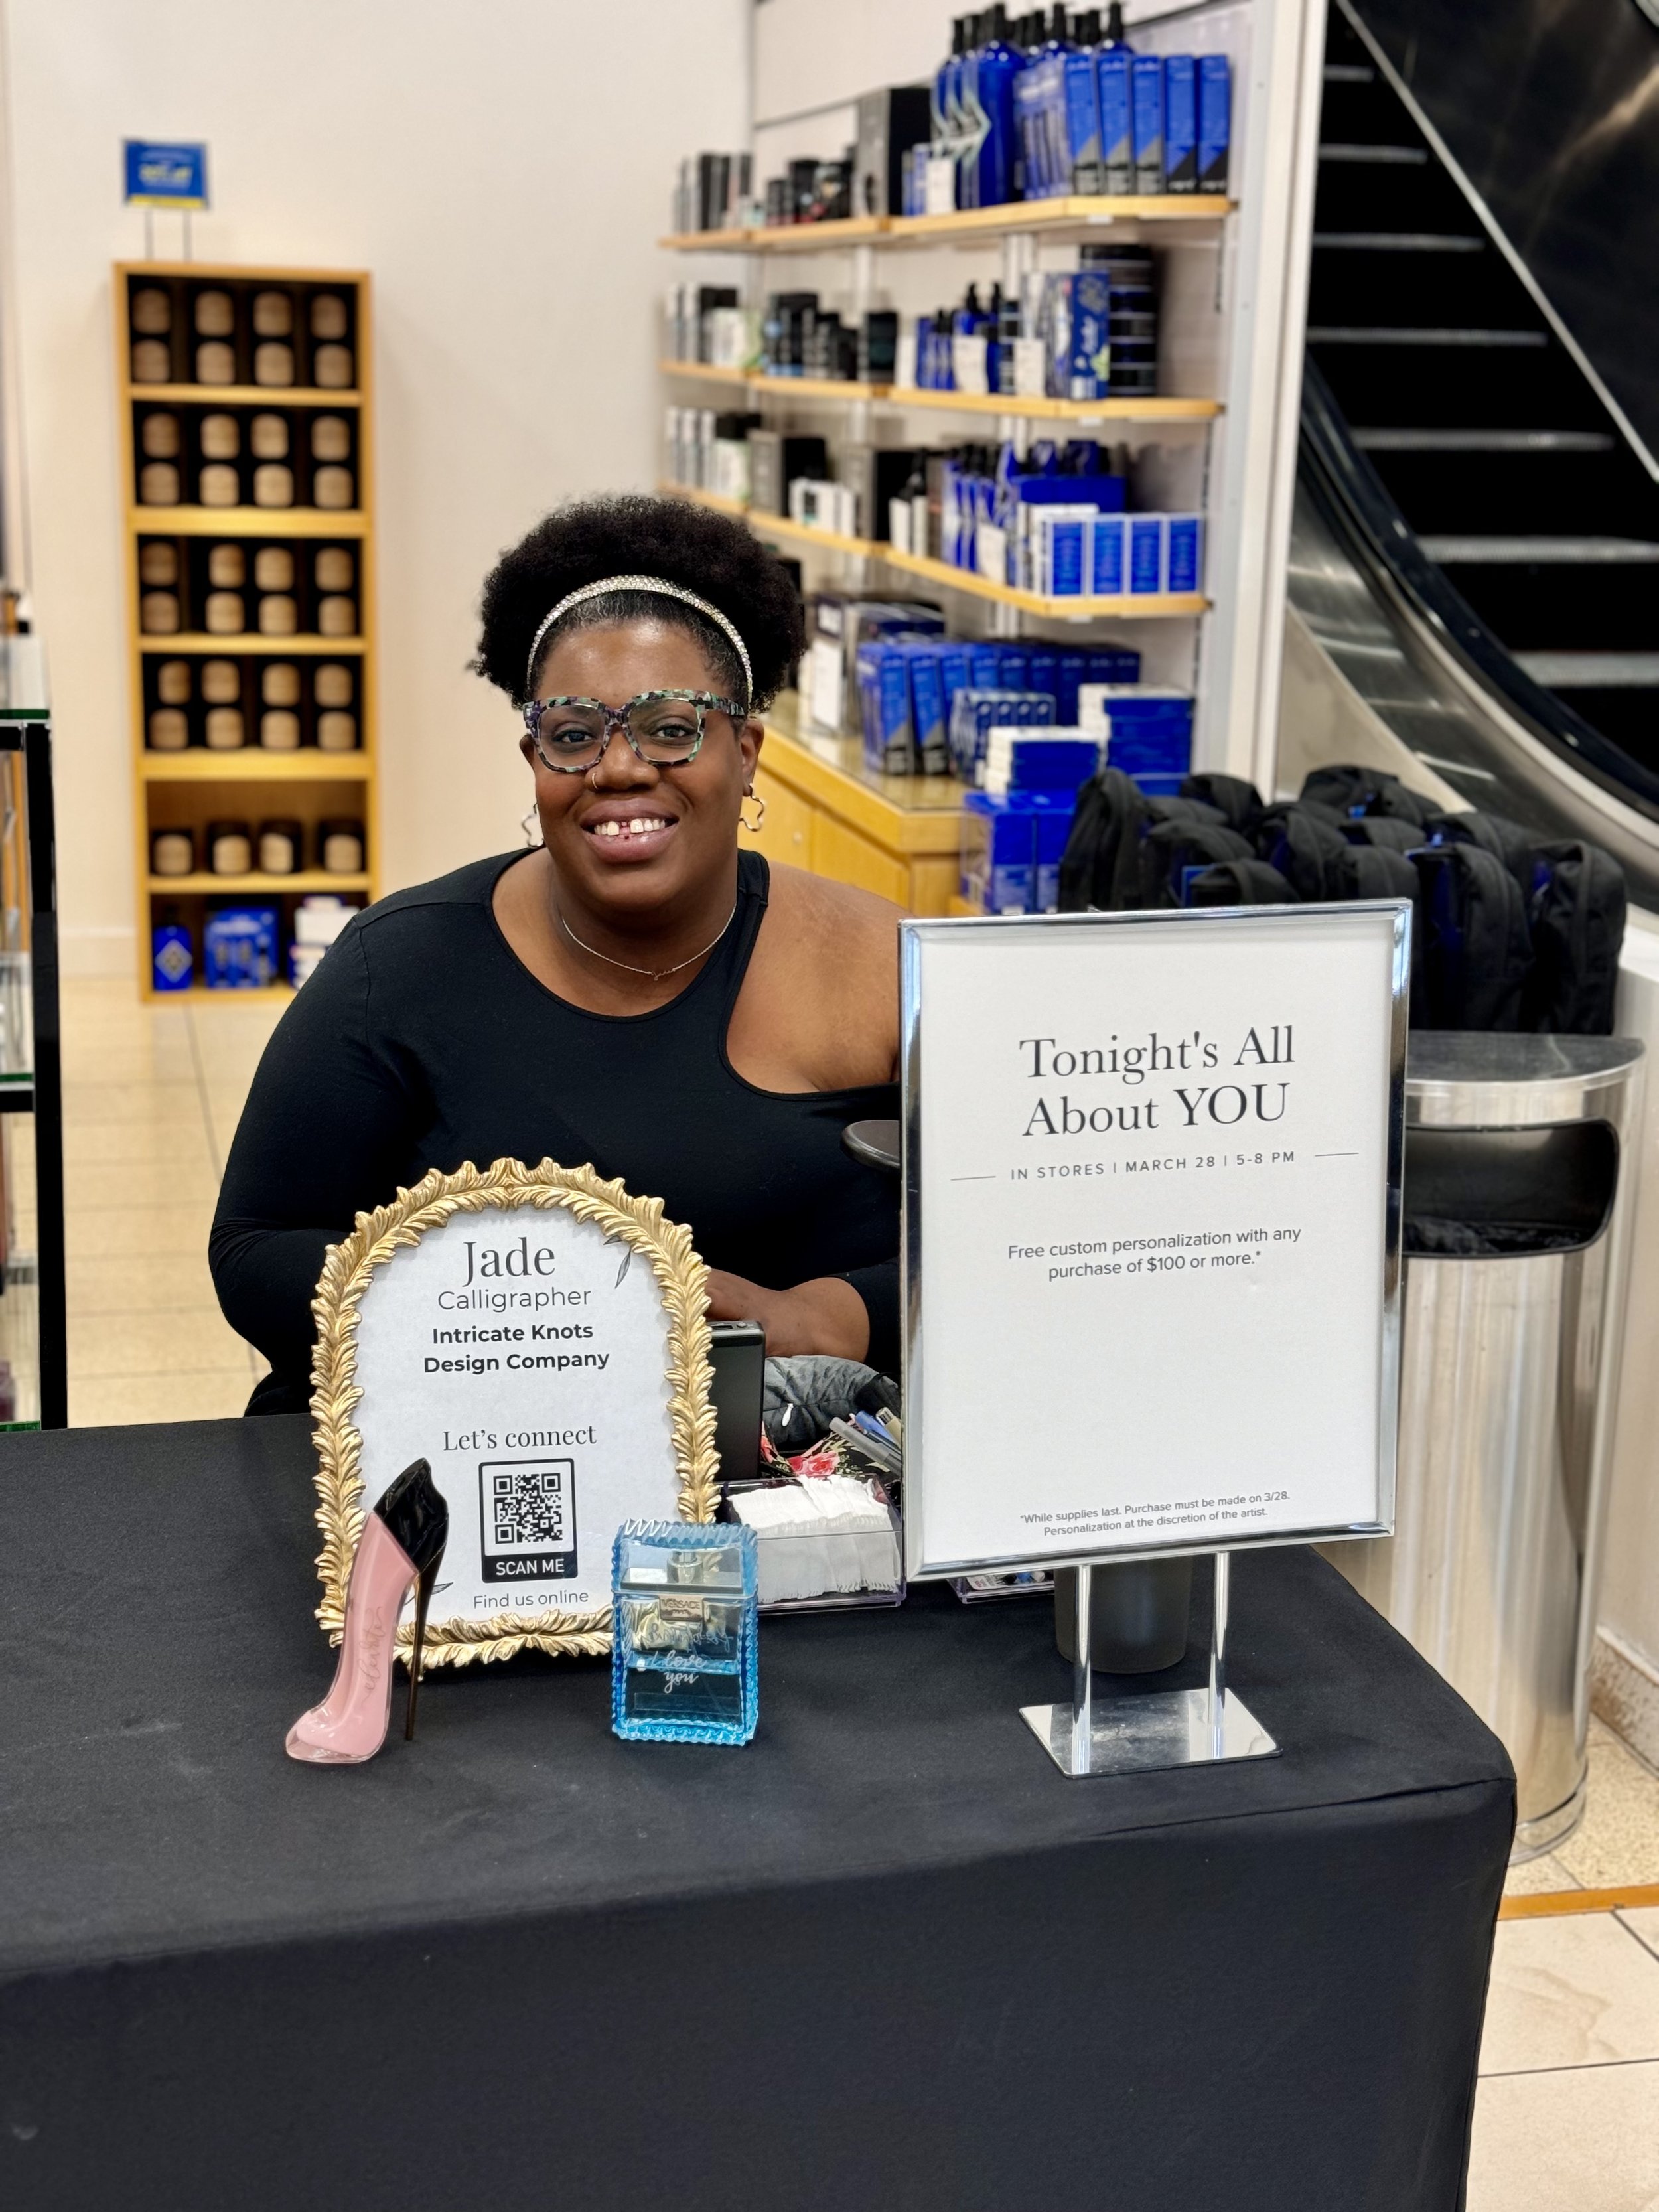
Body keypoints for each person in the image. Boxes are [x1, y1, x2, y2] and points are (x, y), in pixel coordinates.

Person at [210, 494, 902, 1415]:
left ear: (747, 751)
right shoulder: (400, 968)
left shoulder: (880, 963)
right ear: (535, 756)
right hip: (476, 1465)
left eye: (671, 725)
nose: (618, 767)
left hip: (813, 1488)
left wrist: (829, 1317)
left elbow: (1018, 1234)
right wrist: (526, 1321)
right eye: (574, 733)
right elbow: (256, 1246)